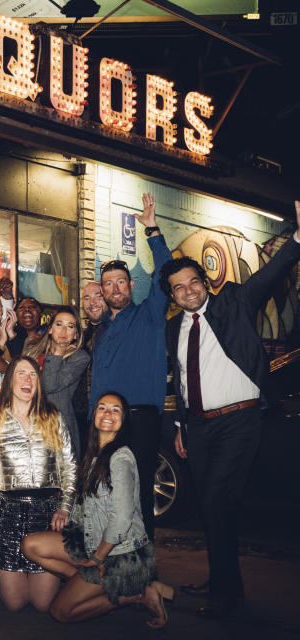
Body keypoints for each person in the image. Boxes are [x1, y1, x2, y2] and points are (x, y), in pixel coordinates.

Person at [162, 203, 300, 618]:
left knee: (218, 499)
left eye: (193, 282)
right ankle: (221, 574)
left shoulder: (235, 302)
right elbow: (185, 381)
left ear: (204, 282)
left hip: (240, 421)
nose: (188, 291)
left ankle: (226, 593)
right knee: (208, 503)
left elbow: (270, 275)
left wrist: (296, 240)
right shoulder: (175, 328)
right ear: (172, 295)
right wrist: (184, 427)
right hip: (199, 428)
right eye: (179, 288)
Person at [21, 392, 172, 628]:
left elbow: (122, 518)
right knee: (30, 545)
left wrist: (98, 557)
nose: (107, 414)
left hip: (119, 554)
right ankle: (92, 586)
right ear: (94, 416)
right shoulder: (95, 455)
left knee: (60, 611)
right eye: (102, 408)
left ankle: (137, 595)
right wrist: (66, 513)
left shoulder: (120, 458)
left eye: (115, 410)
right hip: (93, 541)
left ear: (124, 421)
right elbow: (90, 508)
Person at [90, 193, 171, 539]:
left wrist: (152, 231)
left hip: (139, 419)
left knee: (138, 495)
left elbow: (165, 276)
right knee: (105, 493)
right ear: (103, 292)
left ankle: (143, 570)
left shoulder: (150, 316)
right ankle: (110, 563)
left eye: (121, 282)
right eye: (108, 284)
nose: (115, 288)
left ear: (131, 285)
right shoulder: (102, 331)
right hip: (104, 419)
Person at [0, 356, 76, 613]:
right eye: (21, 373)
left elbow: (70, 467)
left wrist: (65, 508)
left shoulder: (54, 419)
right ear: (10, 382)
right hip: (8, 516)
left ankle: (72, 579)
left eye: (33, 375)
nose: (28, 379)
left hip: (47, 516)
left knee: (42, 604)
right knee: (15, 603)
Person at [24, 306, 90, 459]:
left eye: (70, 326)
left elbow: (49, 385)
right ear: (50, 329)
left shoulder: (79, 357)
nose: (63, 331)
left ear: (75, 335)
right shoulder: (32, 350)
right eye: (59, 324)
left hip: (59, 428)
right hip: (29, 422)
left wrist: (58, 353)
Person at [73, 282, 108, 447]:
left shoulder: (118, 333)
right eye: (87, 298)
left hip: (108, 416)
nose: (92, 303)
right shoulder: (79, 337)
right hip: (80, 417)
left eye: (98, 296)